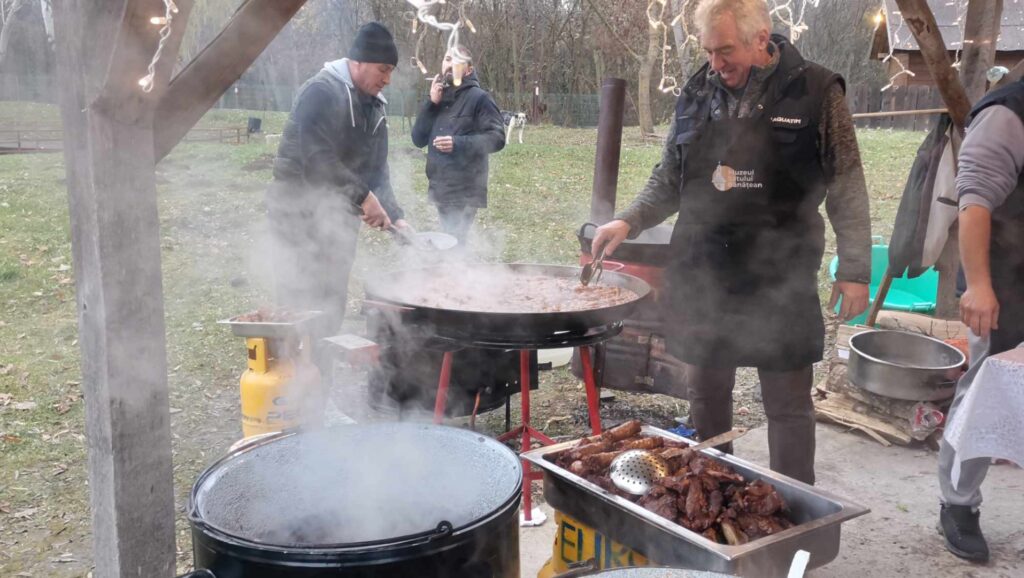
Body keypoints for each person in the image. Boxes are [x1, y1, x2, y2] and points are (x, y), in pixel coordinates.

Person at [590, 0, 871, 485]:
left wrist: (854, 270)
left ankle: (794, 507)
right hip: (703, 270)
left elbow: (847, 184)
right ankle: (715, 488)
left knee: (786, 404)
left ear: (761, 38)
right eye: (709, 51)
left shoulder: (816, 91)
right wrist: (629, 221)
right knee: (706, 392)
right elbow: (670, 176)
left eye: (726, 50)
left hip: (778, 274)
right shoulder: (697, 91)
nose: (716, 64)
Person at [267, 22, 409, 331]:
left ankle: (322, 373)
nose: (387, 79)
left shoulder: (374, 106)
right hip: (297, 214)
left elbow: (376, 168)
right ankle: (296, 375)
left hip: (339, 218)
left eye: (391, 71)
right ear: (357, 61)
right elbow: (317, 161)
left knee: (331, 303)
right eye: (382, 69)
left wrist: (395, 216)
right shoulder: (320, 92)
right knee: (299, 306)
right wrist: (363, 197)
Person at [936, 77, 1024, 563]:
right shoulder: (1008, 113)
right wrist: (980, 285)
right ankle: (958, 504)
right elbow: (974, 204)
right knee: (984, 394)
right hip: (1005, 283)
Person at [411, 45, 505, 245]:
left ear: (468, 70)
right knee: (449, 241)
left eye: (456, 60)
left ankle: (460, 274)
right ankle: (457, 274)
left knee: (454, 243)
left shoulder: (480, 98)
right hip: (440, 186)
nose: (449, 64)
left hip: (466, 187)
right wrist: (431, 103)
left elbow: (497, 138)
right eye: (446, 59)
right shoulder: (438, 98)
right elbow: (417, 139)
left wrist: (458, 144)